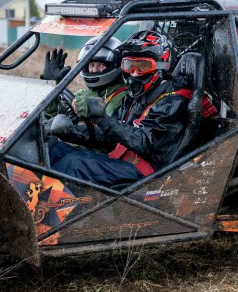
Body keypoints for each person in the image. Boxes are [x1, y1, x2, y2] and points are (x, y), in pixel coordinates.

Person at [50, 30, 217, 187]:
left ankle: (56, 214)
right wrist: (72, 132)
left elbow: (144, 142)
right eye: (129, 65)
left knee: (73, 163)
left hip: (147, 176)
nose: (134, 73)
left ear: (161, 66)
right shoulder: (138, 97)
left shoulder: (172, 101)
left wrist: (102, 117)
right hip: (123, 161)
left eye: (142, 66)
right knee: (54, 149)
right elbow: (110, 136)